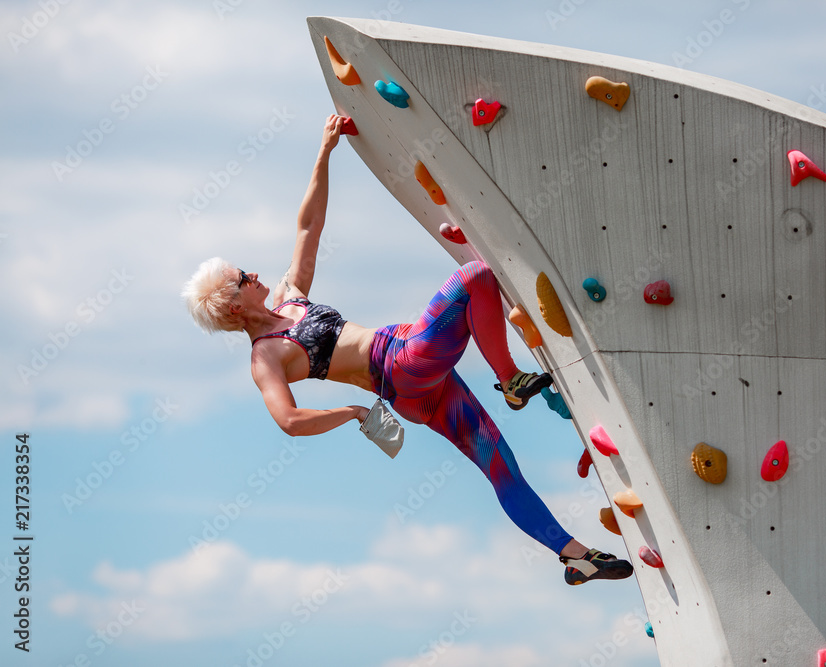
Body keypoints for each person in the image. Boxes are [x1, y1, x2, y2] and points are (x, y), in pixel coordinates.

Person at [182, 114, 633, 585]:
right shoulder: (266, 356)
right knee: (474, 277)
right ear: (232, 308)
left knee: (500, 466)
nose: (252, 274)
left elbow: (307, 228)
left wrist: (325, 151)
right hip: (401, 365)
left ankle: (576, 557)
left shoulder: (289, 297)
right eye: (241, 279)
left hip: (415, 391)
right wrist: (354, 412)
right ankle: (511, 382)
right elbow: (289, 422)